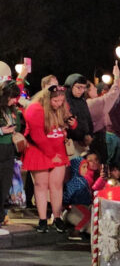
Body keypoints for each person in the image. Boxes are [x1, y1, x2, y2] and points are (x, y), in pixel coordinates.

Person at [22, 84, 77, 233]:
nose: (59, 104)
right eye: (56, 101)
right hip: (39, 151)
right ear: (47, 99)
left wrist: (73, 124)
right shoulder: (35, 109)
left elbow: (68, 120)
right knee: (41, 185)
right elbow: (37, 136)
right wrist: (52, 156)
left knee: (56, 185)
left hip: (57, 149)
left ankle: (57, 217)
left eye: (61, 100)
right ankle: (42, 219)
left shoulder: (61, 106)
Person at [0, 81, 25, 230]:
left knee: (5, 185)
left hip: (9, 150)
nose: (14, 100)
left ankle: (2, 215)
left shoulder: (13, 109)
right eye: (12, 97)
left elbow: (18, 125)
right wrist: (2, 131)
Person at [86, 67, 120, 163]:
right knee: (100, 166)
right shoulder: (92, 103)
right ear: (87, 91)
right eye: (93, 87)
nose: (96, 89)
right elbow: (113, 94)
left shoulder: (82, 103)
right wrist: (116, 76)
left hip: (89, 139)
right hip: (96, 138)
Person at [65, 73, 94, 153]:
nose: (81, 91)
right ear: (70, 86)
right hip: (70, 144)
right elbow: (68, 123)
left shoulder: (82, 100)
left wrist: (90, 135)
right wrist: (81, 137)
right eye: (78, 87)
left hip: (84, 143)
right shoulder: (64, 101)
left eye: (84, 88)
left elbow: (88, 119)